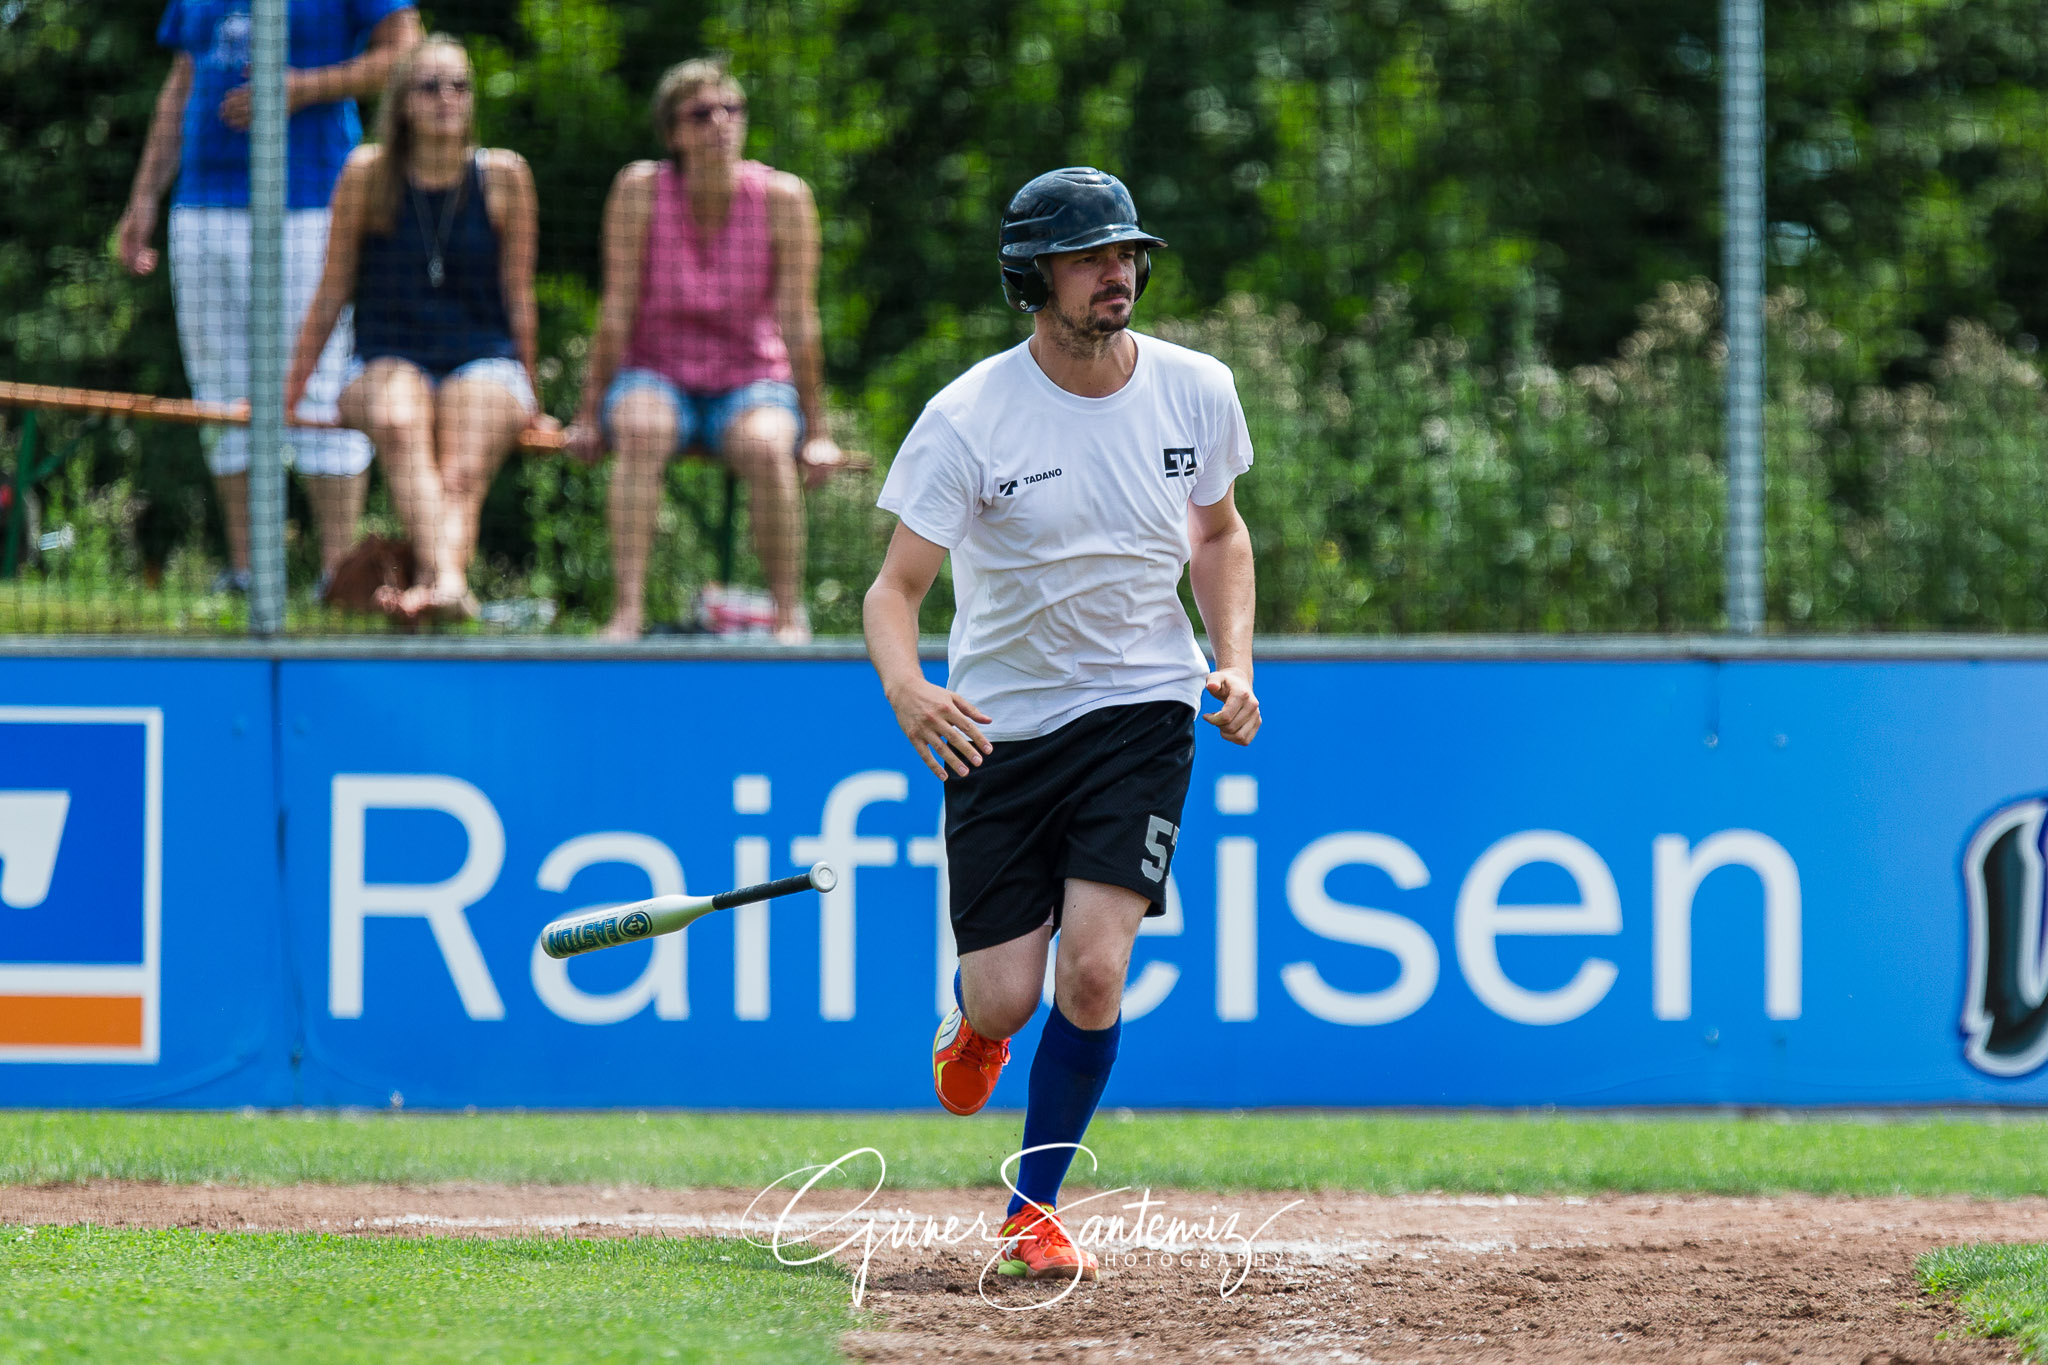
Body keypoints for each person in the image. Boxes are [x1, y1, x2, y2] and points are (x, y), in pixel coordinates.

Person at [863, 168, 1262, 1281]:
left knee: (1091, 972)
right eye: (1090, 257)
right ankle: (973, 1027)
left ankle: (1032, 1207)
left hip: (1144, 712)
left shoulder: (1197, 389)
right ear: (1032, 277)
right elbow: (893, 591)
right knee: (1006, 995)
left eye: (1126, 253)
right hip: (1000, 730)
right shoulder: (967, 416)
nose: (1116, 273)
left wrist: (1231, 659)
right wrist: (908, 689)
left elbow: (1219, 536)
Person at [119, 0, 422, 592]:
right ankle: (249, 575)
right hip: (202, 206)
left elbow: (407, 54)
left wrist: (303, 88)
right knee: (221, 393)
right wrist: (144, 195)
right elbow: (182, 80)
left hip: (310, 205)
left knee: (320, 387)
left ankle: (337, 576)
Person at [566, 57, 844, 643]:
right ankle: (626, 614)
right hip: (654, 372)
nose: (720, 122)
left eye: (731, 109)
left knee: (768, 445)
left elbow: (800, 322)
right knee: (641, 429)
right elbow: (615, 309)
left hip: (751, 379)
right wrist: (588, 415)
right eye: (700, 114)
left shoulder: (784, 198)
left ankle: (788, 619)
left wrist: (817, 432)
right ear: (673, 133)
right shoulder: (639, 191)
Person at [285, 35, 548, 622]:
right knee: (401, 423)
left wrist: (532, 395)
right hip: (386, 358)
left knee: (461, 471)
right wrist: (289, 392)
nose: (446, 98)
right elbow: (331, 292)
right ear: (403, 100)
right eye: (430, 86)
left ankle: (429, 591)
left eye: (459, 86)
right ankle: (448, 583)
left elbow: (519, 296)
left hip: (485, 360)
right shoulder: (366, 173)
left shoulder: (505, 176)